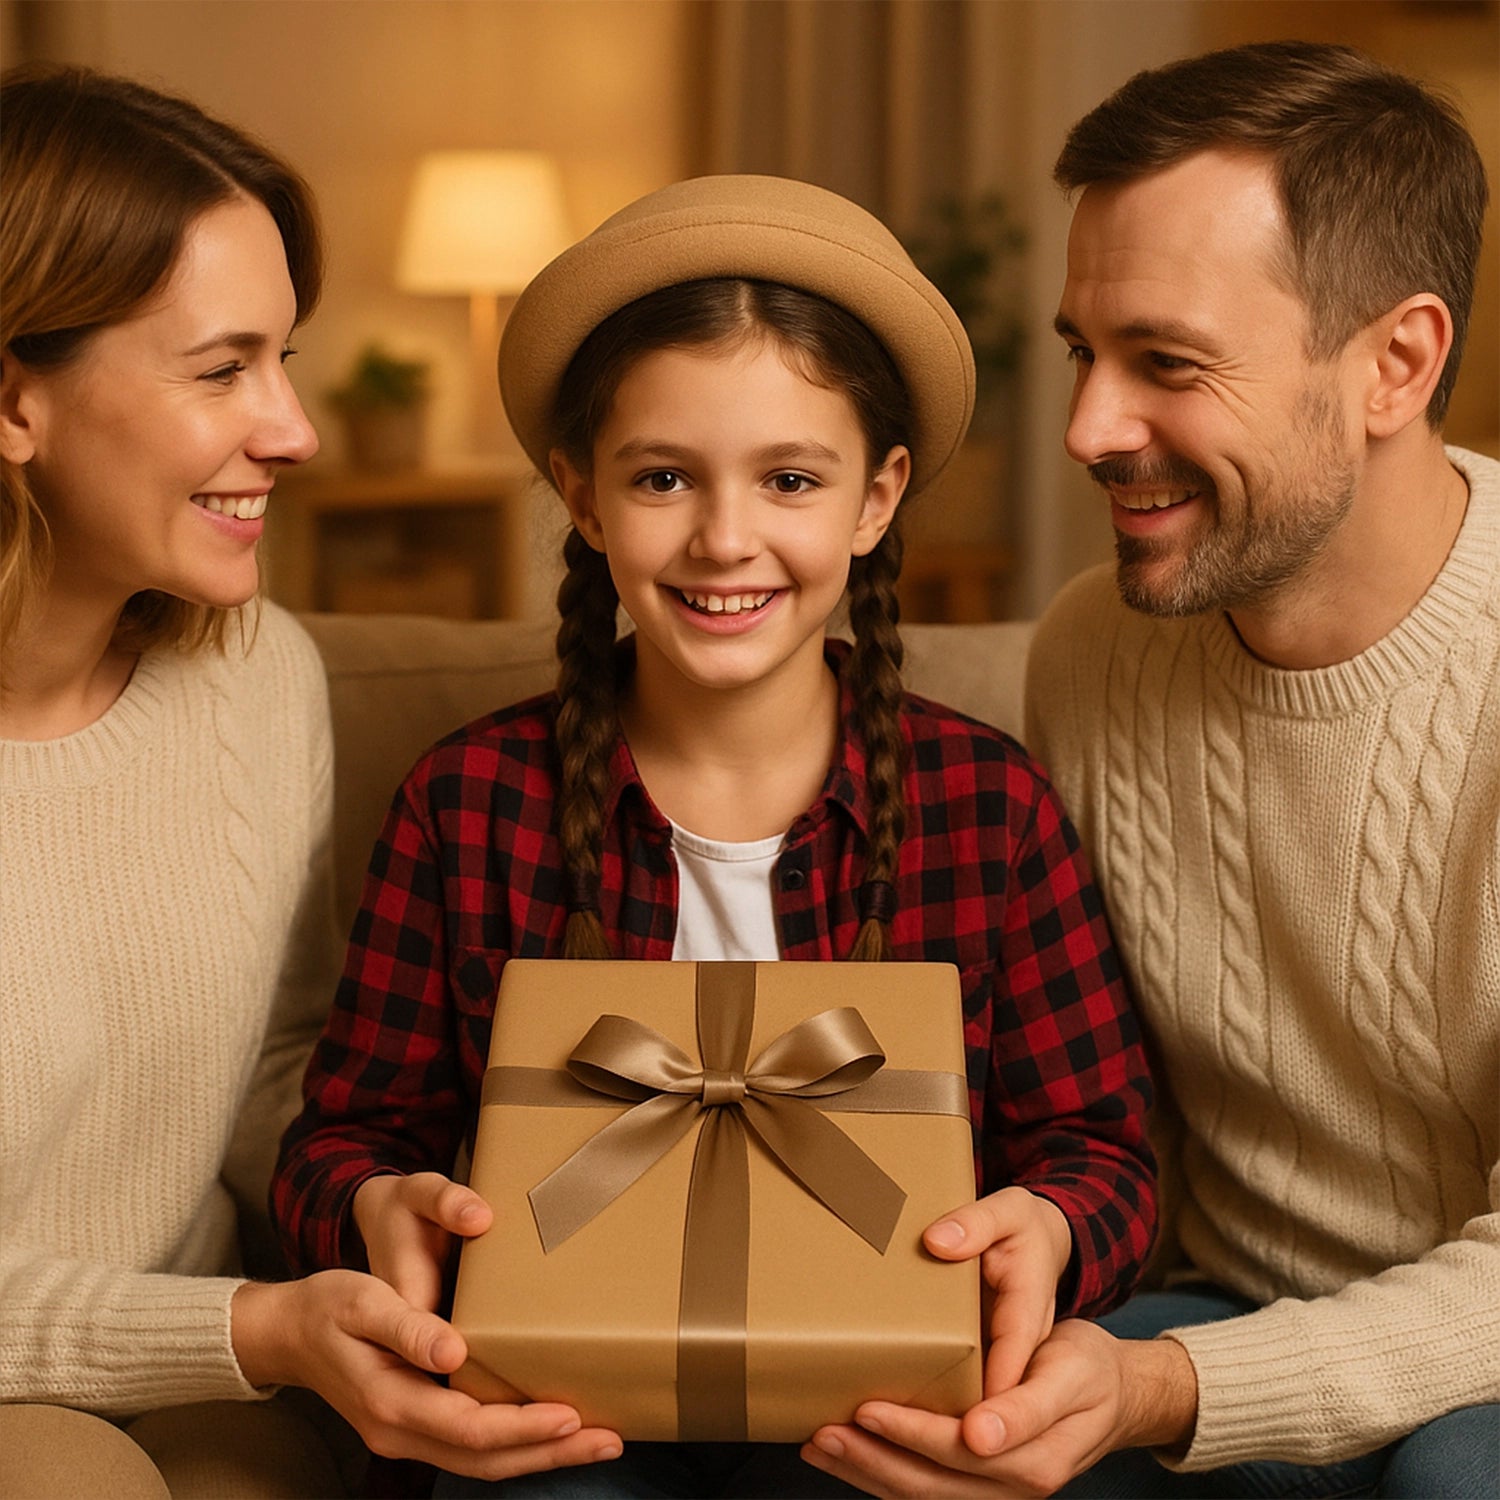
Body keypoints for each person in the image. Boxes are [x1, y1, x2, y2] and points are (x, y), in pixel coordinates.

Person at [270, 174, 1158, 1499]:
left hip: (877, 1420)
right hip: (561, 1420)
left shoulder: (990, 806)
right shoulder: (470, 802)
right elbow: (337, 1142)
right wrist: (373, 1208)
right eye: (663, 477)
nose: (725, 539)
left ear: (876, 498)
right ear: (583, 497)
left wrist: (1051, 1226)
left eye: (790, 479)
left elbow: (1107, 1155)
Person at [801, 39, 1500, 1500]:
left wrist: (1167, 1388)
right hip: (1205, 1309)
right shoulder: (1095, 652)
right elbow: (1093, 1110)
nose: (1088, 430)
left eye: (1167, 364)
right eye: (1083, 351)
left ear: (1397, 362)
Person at [0, 64, 587, 1498]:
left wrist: (384, 1197)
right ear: (14, 402)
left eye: (285, 358)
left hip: (203, 1349)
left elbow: (278, 1055)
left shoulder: (254, 673)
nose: (294, 429)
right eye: (222, 370)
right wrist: (255, 1328)